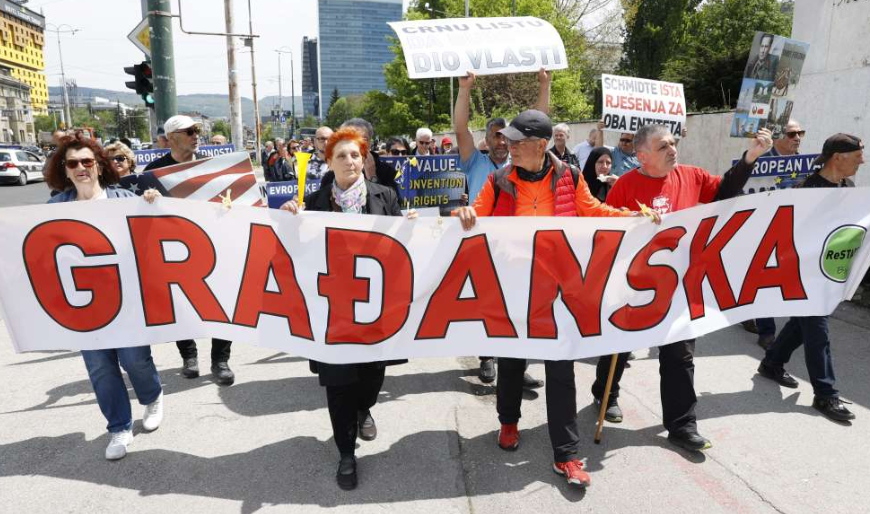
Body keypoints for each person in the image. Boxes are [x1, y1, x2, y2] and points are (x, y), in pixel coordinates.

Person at [454, 110, 659, 489]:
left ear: (541, 145)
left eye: (517, 142)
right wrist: (464, 212)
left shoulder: (570, 175)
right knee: (512, 362)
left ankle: (566, 455)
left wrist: (634, 219)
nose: (509, 147)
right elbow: (476, 214)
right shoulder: (500, 180)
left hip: (559, 289)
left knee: (561, 370)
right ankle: (509, 423)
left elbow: (593, 211)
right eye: (508, 141)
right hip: (515, 287)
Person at [589, 123, 773, 451]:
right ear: (642, 156)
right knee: (619, 347)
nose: (672, 149)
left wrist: (750, 158)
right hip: (635, 285)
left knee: (680, 355)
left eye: (673, 143)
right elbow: (607, 232)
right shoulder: (626, 185)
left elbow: (725, 194)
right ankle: (606, 394)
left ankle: (682, 425)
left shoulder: (692, 176)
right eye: (663, 146)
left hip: (680, 285)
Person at [280, 127, 415, 490]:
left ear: (365, 159)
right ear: (330, 161)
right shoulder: (313, 202)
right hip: (332, 313)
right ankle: (345, 453)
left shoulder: (385, 196)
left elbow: (403, 248)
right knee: (338, 384)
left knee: (371, 378)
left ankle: (364, 408)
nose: (350, 161)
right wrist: (288, 217)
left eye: (356, 154)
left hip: (374, 309)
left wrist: (412, 228)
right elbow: (293, 246)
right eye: (341, 155)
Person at [45, 134, 164, 460]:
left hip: (126, 299)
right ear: (65, 170)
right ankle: (119, 428)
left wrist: (152, 203)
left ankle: (152, 396)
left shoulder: (123, 196)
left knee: (134, 360)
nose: (81, 168)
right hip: (84, 304)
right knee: (99, 367)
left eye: (87, 161)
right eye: (73, 163)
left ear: (98, 164)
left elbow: (153, 236)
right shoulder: (55, 207)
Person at [756, 133, 864, 422]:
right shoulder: (807, 189)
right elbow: (790, 235)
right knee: (818, 332)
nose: (862, 161)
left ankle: (772, 363)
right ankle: (825, 394)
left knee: (802, 325)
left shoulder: (849, 186)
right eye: (857, 156)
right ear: (838, 157)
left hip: (829, 273)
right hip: (804, 274)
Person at [454, 69, 550, 384]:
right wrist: (465, 90)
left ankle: (516, 368)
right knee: (489, 305)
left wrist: (544, 85)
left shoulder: (519, 166)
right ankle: (486, 357)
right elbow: (460, 127)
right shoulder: (475, 162)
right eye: (495, 134)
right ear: (487, 138)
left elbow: (540, 122)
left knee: (517, 309)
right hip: (483, 245)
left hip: (517, 249)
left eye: (504, 135)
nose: (500, 140)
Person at [143, 115, 236, 386]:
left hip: (212, 244)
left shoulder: (211, 167)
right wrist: (148, 199)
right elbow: (139, 210)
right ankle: (189, 356)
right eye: (189, 131)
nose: (196, 135)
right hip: (173, 249)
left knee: (223, 302)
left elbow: (230, 198)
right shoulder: (155, 170)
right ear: (171, 138)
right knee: (179, 303)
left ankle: (220, 360)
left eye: (197, 130)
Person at [740, 119, 805, 347]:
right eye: (792, 134)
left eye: (800, 133)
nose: (797, 138)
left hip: (791, 227)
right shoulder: (758, 161)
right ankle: (767, 332)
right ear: (777, 136)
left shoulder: (804, 163)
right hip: (761, 228)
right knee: (765, 276)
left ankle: (747, 308)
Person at [339, 118, 400, 197]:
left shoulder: (387, 172)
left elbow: (393, 206)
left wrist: (373, 178)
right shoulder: (333, 174)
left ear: (370, 142)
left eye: (364, 139)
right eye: (351, 139)